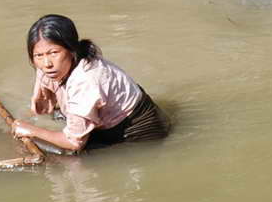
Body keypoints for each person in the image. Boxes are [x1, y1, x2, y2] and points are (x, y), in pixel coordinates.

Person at [12, 14, 172, 153]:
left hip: (138, 129)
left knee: (68, 158)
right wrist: (37, 98)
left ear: (71, 49)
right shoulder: (53, 65)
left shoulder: (86, 80)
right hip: (108, 118)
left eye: (54, 53)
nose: (46, 63)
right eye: (38, 55)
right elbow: (41, 92)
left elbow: (74, 143)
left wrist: (32, 131)